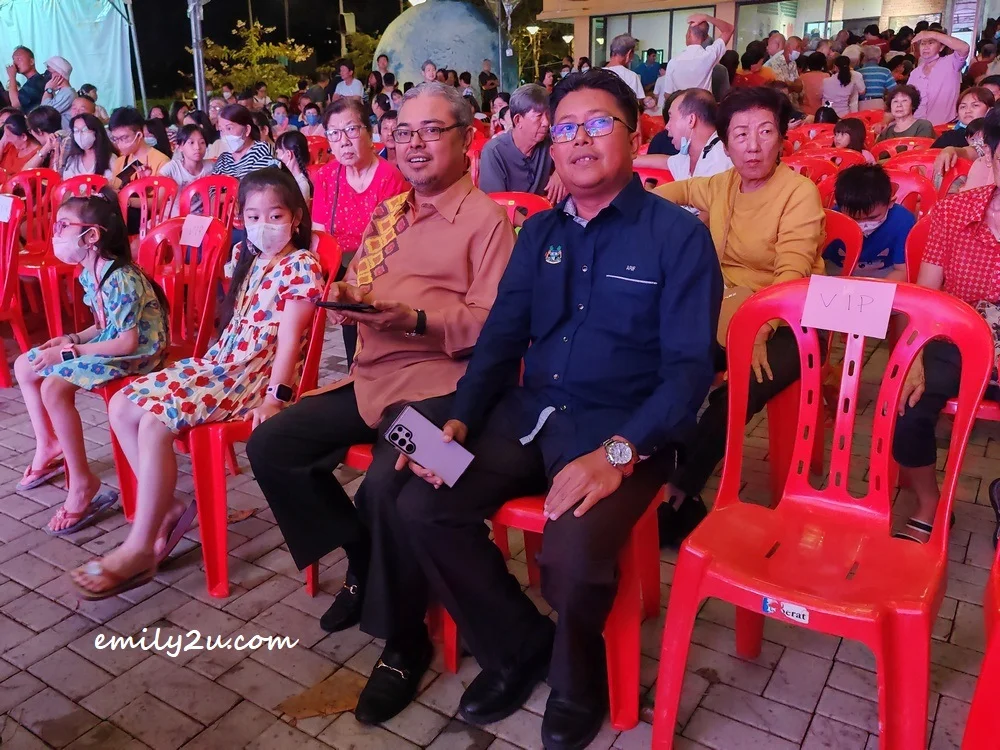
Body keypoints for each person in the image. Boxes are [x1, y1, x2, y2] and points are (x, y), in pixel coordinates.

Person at [347, 69, 720, 748]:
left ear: (634, 136)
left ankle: (579, 682)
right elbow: (500, 337)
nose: (580, 140)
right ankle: (519, 646)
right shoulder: (541, 233)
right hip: (530, 410)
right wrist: (460, 417)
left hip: (625, 429)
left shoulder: (678, 237)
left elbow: (690, 373)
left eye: (599, 123)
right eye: (567, 127)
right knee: (417, 496)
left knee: (571, 556)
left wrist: (618, 456)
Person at [246, 79, 516, 645]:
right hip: (375, 376)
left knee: (384, 488)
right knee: (272, 444)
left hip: (447, 388)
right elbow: (359, 281)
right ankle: (365, 561)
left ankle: (403, 640)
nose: (415, 144)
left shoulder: (487, 222)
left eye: (432, 131)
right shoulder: (390, 212)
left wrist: (417, 320)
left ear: (466, 139)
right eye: (405, 132)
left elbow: (495, 328)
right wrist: (346, 299)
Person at [67, 169, 326, 599]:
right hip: (221, 365)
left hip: (251, 377)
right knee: (123, 405)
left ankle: (138, 548)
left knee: (153, 422)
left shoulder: (301, 264)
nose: (265, 224)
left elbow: (290, 341)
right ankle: (167, 508)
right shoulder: (256, 258)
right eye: (254, 215)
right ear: (242, 218)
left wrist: (276, 399)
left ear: (296, 217)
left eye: (276, 214)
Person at [654, 86, 826, 545]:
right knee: (666, 364)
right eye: (741, 134)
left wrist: (758, 331)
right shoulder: (721, 184)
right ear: (725, 144)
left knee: (736, 392)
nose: (753, 145)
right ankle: (655, 471)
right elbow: (673, 192)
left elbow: (791, 279)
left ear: (782, 137)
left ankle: (679, 491)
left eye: (766, 131)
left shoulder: (799, 193)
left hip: (792, 321)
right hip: (724, 306)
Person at [14, 189, 168, 534]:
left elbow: (127, 340)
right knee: (25, 365)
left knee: (54, 386)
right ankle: (48, 445)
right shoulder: (91, 271)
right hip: (113, 342)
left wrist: (69, 354)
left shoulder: (122, 277)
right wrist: (72, 339)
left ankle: (82, 484)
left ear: (91, 235)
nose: (55, 233)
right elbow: (102, 325)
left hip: (138, 353)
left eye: (63, 226)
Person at [893, 108, 1000, 543]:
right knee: (908, 405)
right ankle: (927, 501)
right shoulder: (955, 212)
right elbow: (927, 297)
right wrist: (912, 356)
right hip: (961, 329)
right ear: (991, 155)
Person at [311, 97, 409, 362]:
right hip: (338, 268)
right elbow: (319, 236)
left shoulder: (390, 178)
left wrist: (348, 285)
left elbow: (390, 243)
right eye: (334, 133)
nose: (343, 141)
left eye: (352, 130)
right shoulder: (327, 176)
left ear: (369, 132)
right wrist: (324, 284)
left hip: (380, 265)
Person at [478, 84, 566, 205]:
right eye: (539, 116)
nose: (546, 122)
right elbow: (494, 205)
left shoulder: (549, 141)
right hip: (510, 220)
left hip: (543, 215)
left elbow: (575, 153)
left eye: (548, 114)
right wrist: (530, 223)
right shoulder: (494, 151)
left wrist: (560, 173)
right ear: (518, 120)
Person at [825, 164, 912, 278]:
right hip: (838, 271)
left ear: (890, 203)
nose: (863, 225)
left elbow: (902, 270)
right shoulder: (832, 219)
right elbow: (821, 262)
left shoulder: (903, 221)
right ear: (839, 207)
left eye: (872, 218)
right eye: (854, 218)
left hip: (885, 274)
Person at [633, 88, 731, 184]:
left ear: (691, 120)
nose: (667, 126)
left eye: (671, 117)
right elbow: (665, 161)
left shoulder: (722, 157)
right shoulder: (689, 158)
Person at [908, 29, 971, 125]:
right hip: (919, 126)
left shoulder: (951, 62)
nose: (926, 47)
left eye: (931, 43)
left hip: (945, 125)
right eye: (923, 43)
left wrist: (932, 34)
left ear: (941, 47)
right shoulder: (915, 73)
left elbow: (964, 48)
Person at [662, 13, 735, 95]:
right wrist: (706, 17)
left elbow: (667, 95)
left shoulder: (673, 62)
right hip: (704, 106)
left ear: (689, 34)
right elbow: (729, 29)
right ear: (705, 38)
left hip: (681, 106)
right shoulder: (709, 56)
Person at [106, 107, 171, 188]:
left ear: (139, 135)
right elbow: (115, 191)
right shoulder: (119, 162)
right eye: (115, 139)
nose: (119, 143)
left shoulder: (162, 162)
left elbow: (160, 199)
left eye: (124, 138)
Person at [211, 104, 278, 181]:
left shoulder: (262, 150)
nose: (225, 135)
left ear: (247, 129)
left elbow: (259, 186)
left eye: (229, 128)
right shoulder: (223, 160)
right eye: (221, 130)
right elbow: (213, 189)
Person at [160, 125, 212, 216]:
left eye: (202, 142)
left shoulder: (211, 167)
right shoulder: (172, 168)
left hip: (201, 218)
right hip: (175, 217)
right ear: (180, 147)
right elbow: (158, 184)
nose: (197, 147)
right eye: (191, 142)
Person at [61, 113, 116, 179]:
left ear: (96, 132)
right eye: (76, 131)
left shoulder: (110, 159)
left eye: (84, 130)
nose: (80, 134)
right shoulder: (72, 160)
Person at [603, 34, 645, 99]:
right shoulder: (631, 77)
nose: (632, 59)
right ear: (628, 54)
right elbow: (637, 103)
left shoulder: (596, 75)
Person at [275, 130, 312, 201]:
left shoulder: (302, 185)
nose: (276, 158)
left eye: (277, 154)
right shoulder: (284, 178)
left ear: (289, 154)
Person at [40, 56, 74, 129]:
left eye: (50, 72)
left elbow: (45, 112)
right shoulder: (62, 92)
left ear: (59, 75)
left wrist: (48, 90)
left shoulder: (68, 93)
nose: (47, 74)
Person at [858, 45, 895, 110]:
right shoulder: (885, 72)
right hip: (879, 103)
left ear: (864, 58)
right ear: (879, 59)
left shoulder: (858, 72)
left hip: (861, 104)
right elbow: (894, 90)